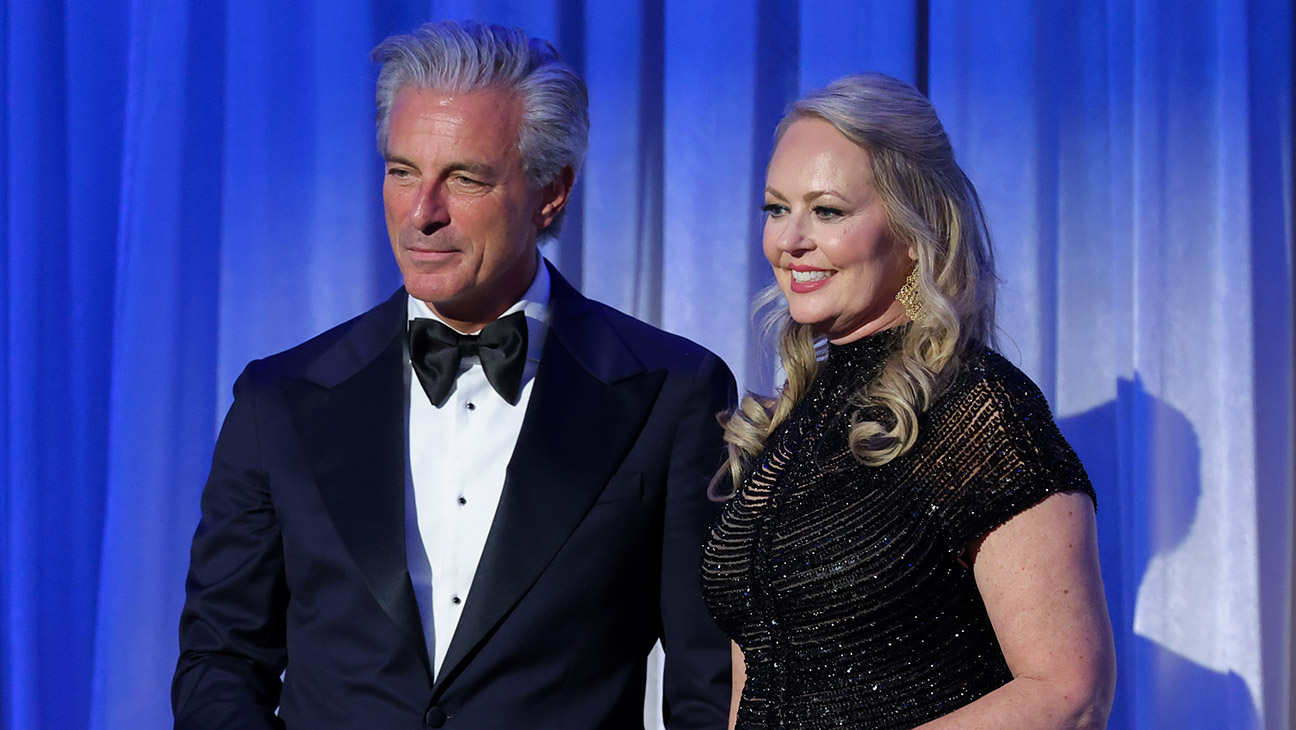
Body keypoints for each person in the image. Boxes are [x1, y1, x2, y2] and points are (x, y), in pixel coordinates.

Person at [173, 21, 735, 730]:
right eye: (401, 170)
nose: (421, 212)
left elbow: (708, 687)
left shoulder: (674, 394)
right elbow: (220, 662)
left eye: (464, 178)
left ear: (551, 192)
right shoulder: (277, 398)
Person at [701, 73, 1116, 729]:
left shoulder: (977, 406)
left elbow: (1067, 692)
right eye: (776, 209)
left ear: (913, 225)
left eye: (828, 210)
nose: (790, 240)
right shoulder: (787, 424)